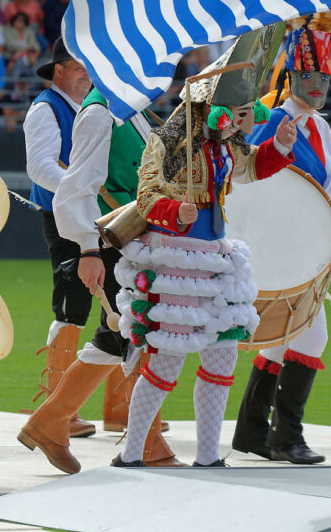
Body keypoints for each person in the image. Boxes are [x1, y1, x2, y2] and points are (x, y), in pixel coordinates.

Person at [110, 42, 298, 468]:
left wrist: (280, 148)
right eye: (237, 115)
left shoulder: (223, 140)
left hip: (214, 255)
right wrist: (175, 210)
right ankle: (131, 451)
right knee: (169, 356)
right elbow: (145, 195)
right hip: (175, 255)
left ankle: (209, 456)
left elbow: (248, 168)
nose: (241, 126)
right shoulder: (171, 139)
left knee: (223, 352)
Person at [18, 50, 179, 473]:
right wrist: (89, 246)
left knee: (122, 332)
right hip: (106, 234)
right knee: (135, 328)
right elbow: (67, 183)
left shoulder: (125, 109)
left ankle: (54, 422)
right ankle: (144, 439)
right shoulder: (96, 112)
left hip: (125, 234)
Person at [232, 9, 331, 465]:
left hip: (310, 245)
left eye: (325, 78)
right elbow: (260, 185)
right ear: (292, 74)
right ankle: (286, 436)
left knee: (280, 339)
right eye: (309, 75)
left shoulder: (323, 126)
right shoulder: (273, 120)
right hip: (280, 249)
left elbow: (319, 189)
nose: (318, 87)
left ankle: (253, 431)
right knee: (310, 339)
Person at [22, 39, 96, 438]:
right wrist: (80, 189)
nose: (86, 74)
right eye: (79, 67)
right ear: (59, 71)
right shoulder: (45, 109)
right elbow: (39, 167)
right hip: (65, 216)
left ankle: (114, 409)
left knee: (111, 302)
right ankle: (58, 410)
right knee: (72, 305)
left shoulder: (79, 108)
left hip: (85, 214)